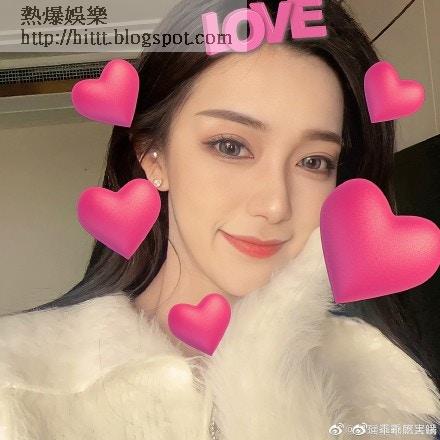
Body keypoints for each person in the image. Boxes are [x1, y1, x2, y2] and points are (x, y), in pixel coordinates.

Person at [0, 0, 439, 439]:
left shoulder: (380, 381)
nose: (275, 204)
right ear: (153, 156)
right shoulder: (17, 381)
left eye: (314, 161)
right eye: (231, 146)